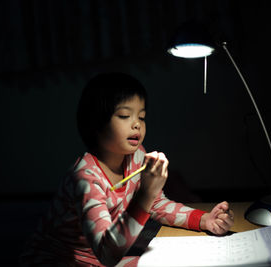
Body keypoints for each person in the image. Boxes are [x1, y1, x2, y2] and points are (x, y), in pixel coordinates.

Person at [20, 72, 234, 266]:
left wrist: (205, 219)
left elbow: (157, 204)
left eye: (141, 117)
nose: (137, 124)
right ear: (96, 124)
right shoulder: (85, 178)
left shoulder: (136, 155)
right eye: (124, 116)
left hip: (101, 256)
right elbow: (107, 253)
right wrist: (146, 193)